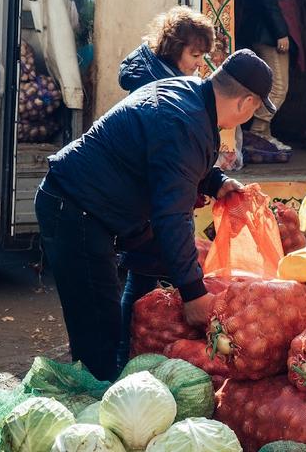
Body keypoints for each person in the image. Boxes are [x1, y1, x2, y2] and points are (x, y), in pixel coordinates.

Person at [36, 50, 275, 381]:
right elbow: (172, 217)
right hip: (75, 207)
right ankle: (98, 405)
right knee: (97, 323)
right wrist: (194, 293)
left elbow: (173, 163)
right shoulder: (185, 122)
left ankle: (125, 355)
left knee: (153, 260)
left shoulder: (192, 96)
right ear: (245, 101)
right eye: (255, 108)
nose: (251, 115)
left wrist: (215, 181)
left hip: (96, 205)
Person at [239, 0, 305, 152]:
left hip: (266, 31)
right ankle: (256, 132)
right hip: (268, 33)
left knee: (268, 86)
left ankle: (264, 134)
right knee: (278, 87)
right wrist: (281, 32)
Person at [118, 6, 213, 92]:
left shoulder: (163, 76)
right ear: (175, 49)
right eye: (195, 55)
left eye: (202, 55)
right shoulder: (159, 93)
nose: (200, 63)